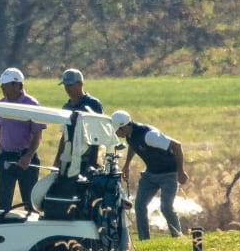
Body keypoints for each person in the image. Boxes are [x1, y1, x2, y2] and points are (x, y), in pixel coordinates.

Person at [111, 110, 189, 240]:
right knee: (139, 205)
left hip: (169, 174)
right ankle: (144, 239)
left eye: (117, 130)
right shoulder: (129, 135)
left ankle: (177, 237)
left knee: (165, 207)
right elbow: (133, 145)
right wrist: (127, 165)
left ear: (124, 127)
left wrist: (180, 171)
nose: (116, 134)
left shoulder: (149, 135)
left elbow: (177, 146)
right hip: (150, 174)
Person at [0, 67, 45, 212]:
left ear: (16, 85)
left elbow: (37, 134)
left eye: (5, 84)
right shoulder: (0, 103)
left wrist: (28, 156)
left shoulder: (31, 104)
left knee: (29, 202)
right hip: (6, 157)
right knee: (3, 202)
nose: (1, 87)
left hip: (26, 158)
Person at [53, 68, 103, 172]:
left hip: (89, 159)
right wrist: (57, 160)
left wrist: (93, 162)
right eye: (65, 85)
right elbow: (64, 136)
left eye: (70, 85)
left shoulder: (93, 104)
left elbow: (98, 134)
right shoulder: (66, 106)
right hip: (69, 158)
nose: (67, 88)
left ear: (80, 83)